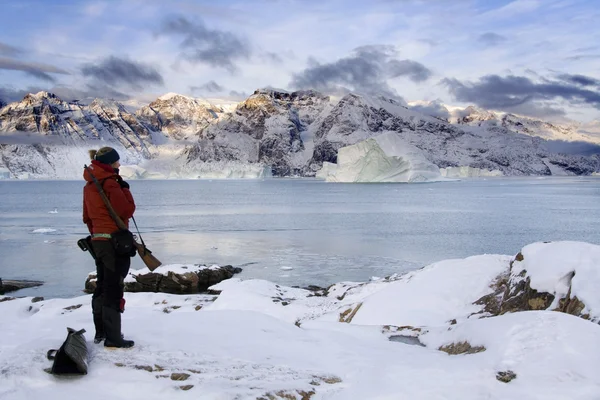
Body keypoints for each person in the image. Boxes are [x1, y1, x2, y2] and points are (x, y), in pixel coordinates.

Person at [83, 147, 135, 348]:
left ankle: (100, 333)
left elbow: (87, 217)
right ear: (109, 164)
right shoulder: (111, 183)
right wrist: (125, 189)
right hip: (114, 242)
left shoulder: (89, 185)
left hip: (98, 241)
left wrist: (98, 234)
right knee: (114, 287)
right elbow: (126, 210)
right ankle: (113, 338)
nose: (119, 165)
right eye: (116, 162)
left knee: (102, 285)